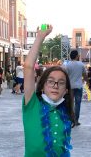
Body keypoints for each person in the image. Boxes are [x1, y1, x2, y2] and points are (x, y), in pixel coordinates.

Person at [23, 25, 75, 156]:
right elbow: (28, 67)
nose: (55, 85)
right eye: (51, 81)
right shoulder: (32, 105)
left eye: (61, 83)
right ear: (42, 86)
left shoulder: (65, 113)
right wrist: (40, 37)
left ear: (66, 91)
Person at [64, 50, 86, 126]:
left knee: (70, 103)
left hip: (70, 87)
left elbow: (65, 76)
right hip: (79, 86)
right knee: (78, 104)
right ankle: (76, 120)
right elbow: (85, 74)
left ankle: (71, 119)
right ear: (77, 56)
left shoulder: (68, 65)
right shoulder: (81, 64)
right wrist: (87, 81)